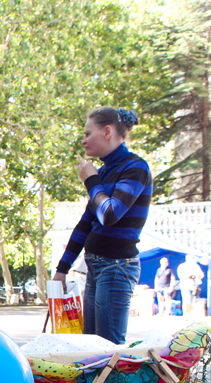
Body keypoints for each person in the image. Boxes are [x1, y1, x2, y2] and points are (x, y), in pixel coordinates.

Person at [51, 107, 152, 344]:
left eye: (87, 134)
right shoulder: (105, 171)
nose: (83, 141)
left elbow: (109, 213)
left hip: (117, 267)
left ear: (107, 131)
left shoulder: (135, 168)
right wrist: (62, 269)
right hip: (96, 266)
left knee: (107, 348)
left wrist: (91, 180)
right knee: (91, 346)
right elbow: (86, 224)